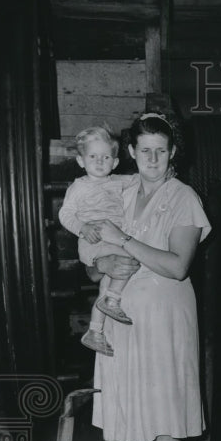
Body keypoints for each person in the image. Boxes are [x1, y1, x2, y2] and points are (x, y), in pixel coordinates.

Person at [84, 112, 211, 441]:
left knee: (164, 425)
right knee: (137, 423)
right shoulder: (118, 191)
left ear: (172, 153)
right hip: (120, 317)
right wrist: (99, 261)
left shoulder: (184, 198)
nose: (152, 159)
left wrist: (122, 240)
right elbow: (93, 255)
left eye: (161, 150)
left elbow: (177, 266)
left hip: (164, 318)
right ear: (131, 152)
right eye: (144, 150)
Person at [58, 125, 137, 355]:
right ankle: (112, 300)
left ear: (115, 162)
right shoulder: (79, 186)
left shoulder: (118, 181)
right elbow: (65, 214)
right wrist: (82, 228)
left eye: (106, 157)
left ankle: (94, 331)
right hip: (93, 241)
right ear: (81, 161)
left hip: (110, 240)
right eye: (93, 156)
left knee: (107, 282)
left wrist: (166, 174)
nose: (100, 161)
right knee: (131, 255)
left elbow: (139, 179)